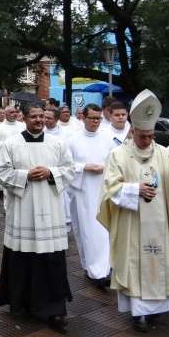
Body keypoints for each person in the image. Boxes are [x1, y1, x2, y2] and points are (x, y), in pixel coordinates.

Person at [97, 89, 169, 332]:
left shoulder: (164, 154)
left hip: (161, 224)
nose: (148, 140)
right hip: (133, 222)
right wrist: (134, 189)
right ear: (133, 132)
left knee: (161, 259)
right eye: (143, 136)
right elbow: (109, 188)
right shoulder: (118, 155)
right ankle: (138, 313)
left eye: (151, 136)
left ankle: (159, 309)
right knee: (135, 263)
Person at [0, 103, 75, 332]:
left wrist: (51, 173)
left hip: (50, 211)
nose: (39, 120)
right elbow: (0, 172)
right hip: (23, 210)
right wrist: (25, 175)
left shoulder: (58, 143)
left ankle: (55, 310)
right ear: (25, 118)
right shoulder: (12, 144)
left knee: (51, 261)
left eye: (42, 116)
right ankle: (22, 304)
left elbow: (69, 169)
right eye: (34, 116)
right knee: (23, 258)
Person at [67, 104, 116, 288]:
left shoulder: (107, 139)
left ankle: (104, 269)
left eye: (98, 118)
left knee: (104, 232)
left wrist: (106, 168)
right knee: (88, 231)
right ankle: (93, 269)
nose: (95, 122)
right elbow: (66, 165)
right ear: (83, 118)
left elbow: (116, 161)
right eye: (92, 118)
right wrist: (84, 167)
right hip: (82, 191)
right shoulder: (73, 140)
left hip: (103, 189)